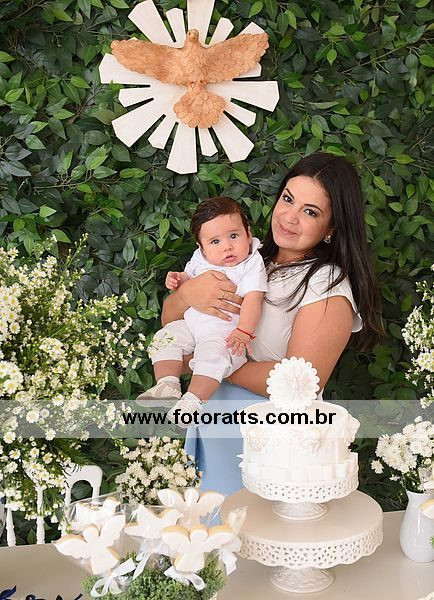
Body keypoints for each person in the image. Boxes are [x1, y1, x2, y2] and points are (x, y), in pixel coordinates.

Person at [161, 153, 383, 494]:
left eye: (310, 212)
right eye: (288, 200)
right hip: (210, 421)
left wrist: (212, 364)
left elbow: (300, 381)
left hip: (267, 445)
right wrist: (187, 295)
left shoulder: (326, 286)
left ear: (332, 227)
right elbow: (172, 322)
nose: (289, 218)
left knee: (245, 522)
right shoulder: (247, 257)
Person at [137, 197, 268, 426]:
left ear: (248, 234)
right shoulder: (200, 258)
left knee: (212, 357)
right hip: (190, 325)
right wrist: (178, 279)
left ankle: (193, 402)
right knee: (164, 337)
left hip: (222, 333)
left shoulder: (251, 264)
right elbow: (188, 277)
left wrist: (243, 331)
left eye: (234, 236)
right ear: (202, 248)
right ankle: (167, 384)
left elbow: (253, 299)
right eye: (215, 241)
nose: (227, 246)